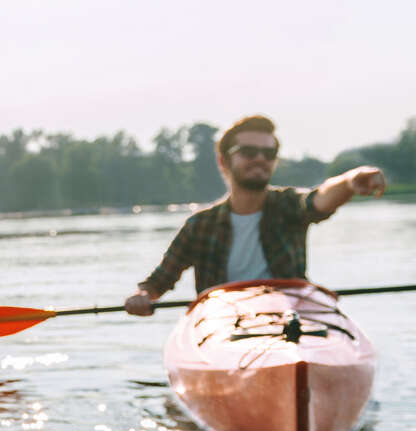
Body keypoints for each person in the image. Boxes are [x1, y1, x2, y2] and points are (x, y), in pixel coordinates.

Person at [124, 114, 387, 315]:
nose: (260, 158)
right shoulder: (199, 225)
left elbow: (320, 199)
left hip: (290, 317)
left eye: (268, 153)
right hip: (223, 323)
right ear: (224, 161)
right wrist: (142, 295)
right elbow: (158, 282)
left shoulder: (288, 205)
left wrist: (351, 181)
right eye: (248, 152)